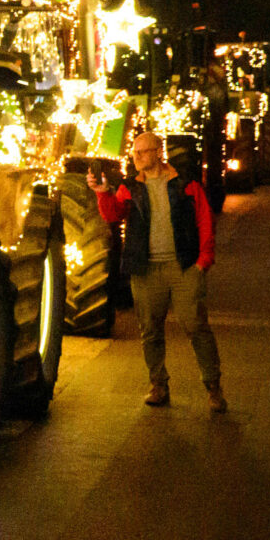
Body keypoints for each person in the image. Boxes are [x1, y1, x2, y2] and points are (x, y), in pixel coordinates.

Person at [92, 127, 225, 411]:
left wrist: (204, 260)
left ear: (158, 152)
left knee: (196, 326)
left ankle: (213, 386)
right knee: (150, 330)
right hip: (146, 269)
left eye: (143, 152)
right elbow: (114, 215)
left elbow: (204, 219)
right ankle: (158, 384)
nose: (137, 157)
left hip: (183, 266)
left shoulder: (185, 182)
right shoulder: (130, 187)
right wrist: (102, 193)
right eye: (135, 153)